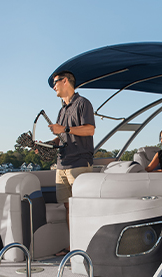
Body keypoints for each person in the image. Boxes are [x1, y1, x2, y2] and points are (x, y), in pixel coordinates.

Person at [45, 71, 95, 236]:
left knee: (81, 207)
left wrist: (65, 129)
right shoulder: (62, 110)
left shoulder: (83, 103)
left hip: (79, 163)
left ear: (65, 81)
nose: (53, 87)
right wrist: (45, 145)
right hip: (62, 165)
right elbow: (61, 137)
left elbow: (90, 130)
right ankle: (72, 245)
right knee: (68, 207)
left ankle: (85, 245)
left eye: (55, 82)